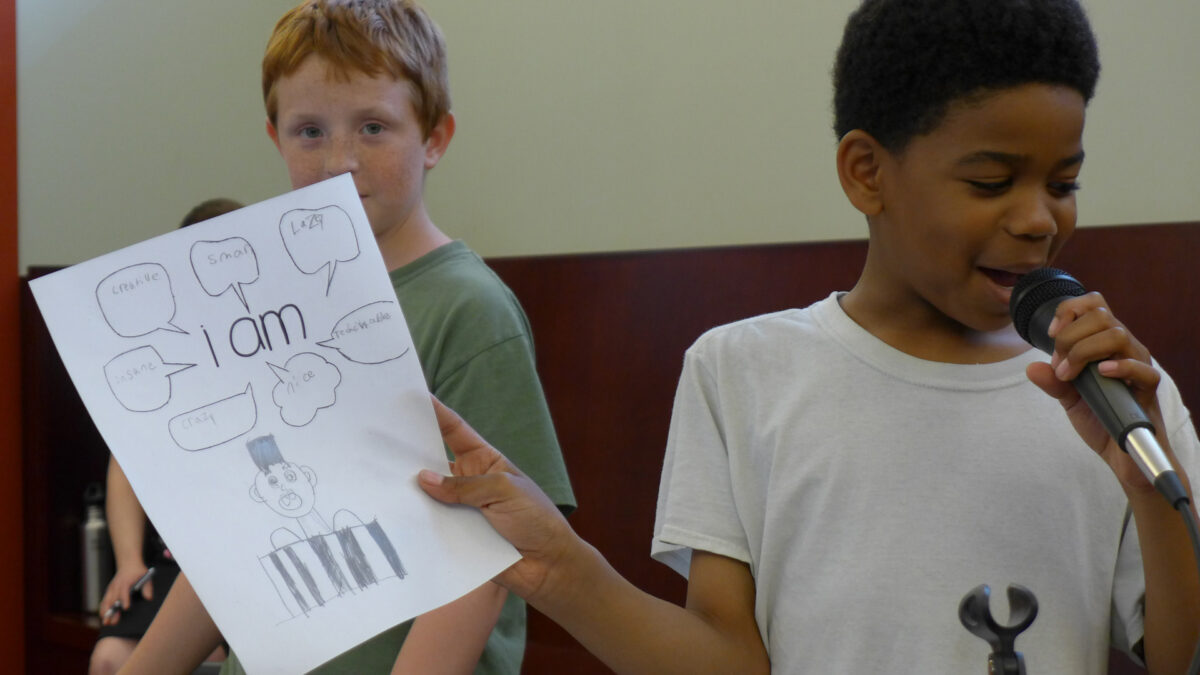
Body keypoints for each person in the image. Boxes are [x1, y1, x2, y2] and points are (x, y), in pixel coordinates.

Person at [417, 0, 1200, 672]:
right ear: (866, 172)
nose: (1039, 218)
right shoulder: (743, 371)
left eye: (1064, 184)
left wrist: (1146, 478)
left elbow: (1180, 653)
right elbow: (726, 659)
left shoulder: (1123, 397)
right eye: (992, 182)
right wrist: (559, 567)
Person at [118, 1, 574, 673]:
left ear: (436, 138)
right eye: (309, 131)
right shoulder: (272, 308)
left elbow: (490, 556)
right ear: (275, 137)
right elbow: (238, 537)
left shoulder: (467, 309)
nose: (339, 161)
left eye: (373, 127)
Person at [88, 197, 243, 675]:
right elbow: (127, 459)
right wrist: (130, 561)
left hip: (248, 560)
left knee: (212, 658)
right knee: (109, 657)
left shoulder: (271, 340)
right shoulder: (166, 352)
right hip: (177, 562)